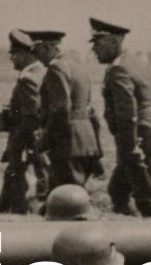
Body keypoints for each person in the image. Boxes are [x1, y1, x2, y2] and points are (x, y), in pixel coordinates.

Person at [91, 18, 151, 218]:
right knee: (120, 191)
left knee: (146, 199)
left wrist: (131, 149)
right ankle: (134, 233)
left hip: (143, 143)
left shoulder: (119, 69)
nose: (94, 50)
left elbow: (127, 114)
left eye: (98, 44)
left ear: (114, 42)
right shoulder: (137, 63)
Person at [32, 30, 105, 192]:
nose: (36, 57)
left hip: (67, 143)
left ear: (47, 48)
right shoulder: (76, 66)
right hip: (85, 140)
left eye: (37, 51)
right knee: (59, 197)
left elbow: (60, 111)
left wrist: (44, 141)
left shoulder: (56, 69)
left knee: (69, 200)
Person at [0, 30, 47, 214]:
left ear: (25, 55)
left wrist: (15, 145)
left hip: (25, 148)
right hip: (30, 147)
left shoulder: (28, 79)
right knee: (11, 190)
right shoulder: (41, 72)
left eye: (14, 54)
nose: (11, 58)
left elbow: (31, 118)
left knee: (20, 196)